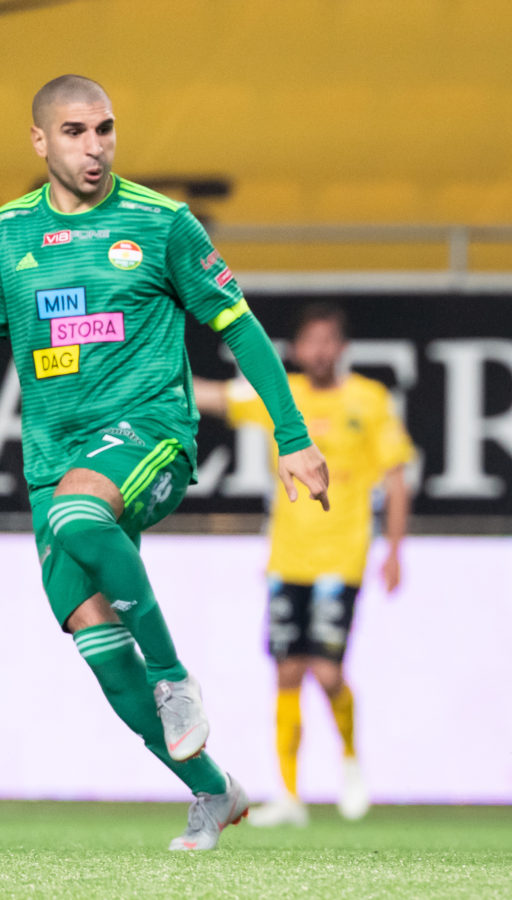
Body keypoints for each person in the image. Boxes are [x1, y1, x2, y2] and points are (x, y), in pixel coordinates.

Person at [0, 75, 329, 851]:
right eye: (75, 132)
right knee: (99, 649)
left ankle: (174, 674)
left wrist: (292, 436)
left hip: (150, 435)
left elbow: (239, 326)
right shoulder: (10, 235)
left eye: (105, 129)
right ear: (40, 141)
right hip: (52, 458)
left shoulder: (161, 223)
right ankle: (214, 791)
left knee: (81, 515)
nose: (96, 147)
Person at [193, 302, 413, 826]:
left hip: (341, 556)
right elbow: (215, 396)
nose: (319, 351)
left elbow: (396, 478)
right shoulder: (281, 393)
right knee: (288, 670)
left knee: (328, 671)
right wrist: (149, 371)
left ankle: (350, 761)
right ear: (294, 349)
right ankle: (290, 795)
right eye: (310, 341)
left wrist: (395, 549)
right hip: (287, 558)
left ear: (343, 348)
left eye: (328, 340)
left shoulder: (369, 399)